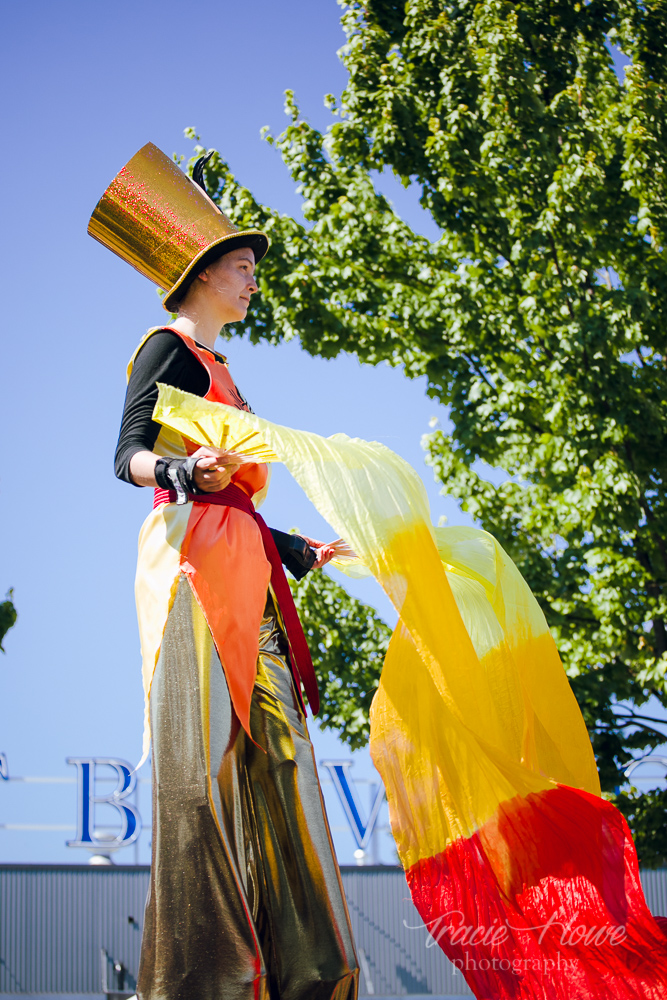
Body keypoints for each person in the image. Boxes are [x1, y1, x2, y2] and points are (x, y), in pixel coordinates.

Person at [89, 143, 359, 1000]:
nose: (252, 282)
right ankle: (201, 982)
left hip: (251, 576)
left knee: (285, 768)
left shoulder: (228, 374)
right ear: (203, 272)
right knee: (197, 773)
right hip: (193, 580)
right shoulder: (164, 348)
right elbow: (126, 453)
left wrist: (304, 551)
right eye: (242, 268)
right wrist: (179, 472)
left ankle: (317, 976)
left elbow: (240, 502)